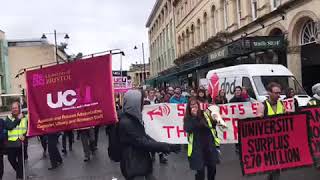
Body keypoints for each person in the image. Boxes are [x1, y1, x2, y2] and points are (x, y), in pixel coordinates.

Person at [119, 90, 180, 180]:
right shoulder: (127, 122)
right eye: (141, 102)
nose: (143, 105)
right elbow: (143, 142)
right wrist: (167, 147)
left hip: (140, 163)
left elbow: (144, 136)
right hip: (135, 166)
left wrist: (164, 146)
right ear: (134, 103)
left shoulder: (132, 118)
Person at [184, 97, 218, 180]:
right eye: (191, 105)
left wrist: (214, 116)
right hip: (197, 148)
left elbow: (211, 125)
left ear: (198, 105)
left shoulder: (205, 114)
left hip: (209, 145)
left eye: (195, 104)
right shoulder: (188, 118)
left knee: (212, 169)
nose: (194, 106)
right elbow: (188, 128)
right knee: (200, 171)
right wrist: (194, 117)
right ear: (189, 107)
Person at [263, 82, 286, 180]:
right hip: (268, 141)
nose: (278, 95)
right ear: (269, 93)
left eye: (279, 93)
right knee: (274, 165)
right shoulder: (263, 105)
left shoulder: (281, 103)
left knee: (276, 165)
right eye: (276, 93)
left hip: (279, 139)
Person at [5, 101, 28, 180]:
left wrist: (25, 136)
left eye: (15, 108)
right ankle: (19, 172)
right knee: (11, 159)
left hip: (22, 142)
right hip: (11, 143)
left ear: (19, 108)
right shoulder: (8, 117)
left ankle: (20, 177)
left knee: (21, 161)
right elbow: (10, 126)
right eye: (12, 108)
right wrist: (18, 118)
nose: (14, 109)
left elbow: (28, 129)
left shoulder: (25, 117)